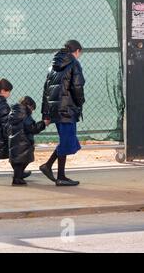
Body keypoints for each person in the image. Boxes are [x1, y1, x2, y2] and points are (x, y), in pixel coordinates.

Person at [40, 40, 85, 186]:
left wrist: (46, 113)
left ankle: (51, 168)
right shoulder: (74, 64)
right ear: (77, 51)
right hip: (67, 109)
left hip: (56, 110)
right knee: (67, 142)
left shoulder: (52, 67)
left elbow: (46, 91)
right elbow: (77, 87)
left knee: (67, 140)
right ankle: (59, 176)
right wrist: (80, 103)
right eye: (80, 53)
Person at [8, 96, 49, 186]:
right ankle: (17, 179)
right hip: (23, 142)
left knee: (18, 162)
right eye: (32, 109)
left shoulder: (14, 113)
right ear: (28, 106)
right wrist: (43, 123)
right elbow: (32, 128)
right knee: (22, 161)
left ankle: (18, 175)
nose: (32, 111)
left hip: (15, 141)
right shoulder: (25, 115)